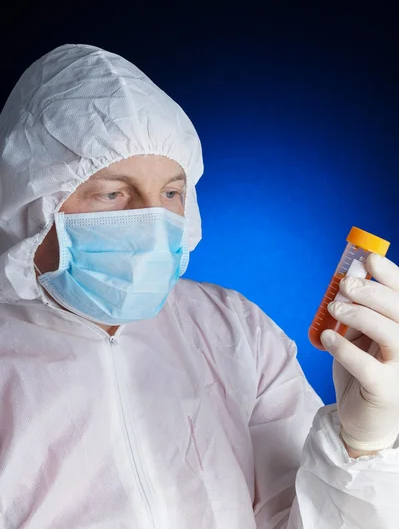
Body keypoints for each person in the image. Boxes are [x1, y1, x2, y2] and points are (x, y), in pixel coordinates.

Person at [0, 44, 398, 529]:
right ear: (32, 201)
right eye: (111, 192)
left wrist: (359, 446)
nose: (151, 221)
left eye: (170, 193)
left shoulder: (233, 329)